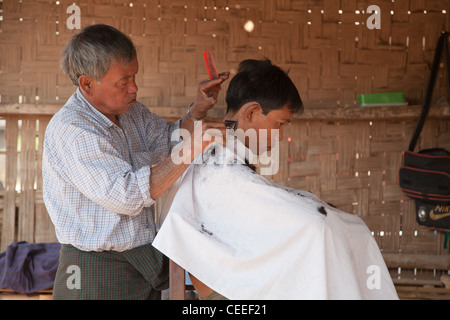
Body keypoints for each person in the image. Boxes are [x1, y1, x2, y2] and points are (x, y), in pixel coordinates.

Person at [152, 59, 399, 300]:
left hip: (231, 276)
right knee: (323, 228)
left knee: (344, 228)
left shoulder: (216, 146)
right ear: (252, 112)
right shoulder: (218, 158)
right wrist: (324, 218)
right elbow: (312, 225)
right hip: (226, 287)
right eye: (279, 124)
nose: (280, 136)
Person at [42, 24, 229, 300]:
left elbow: (169, 140)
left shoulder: (132, 114)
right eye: (123, 81)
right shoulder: (74, 130)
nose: (134, 88)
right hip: (95, 274)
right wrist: (190, 151)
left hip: (140, 266)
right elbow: (128, 195)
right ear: (87, 84)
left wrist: (198, 109)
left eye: (135, 76)